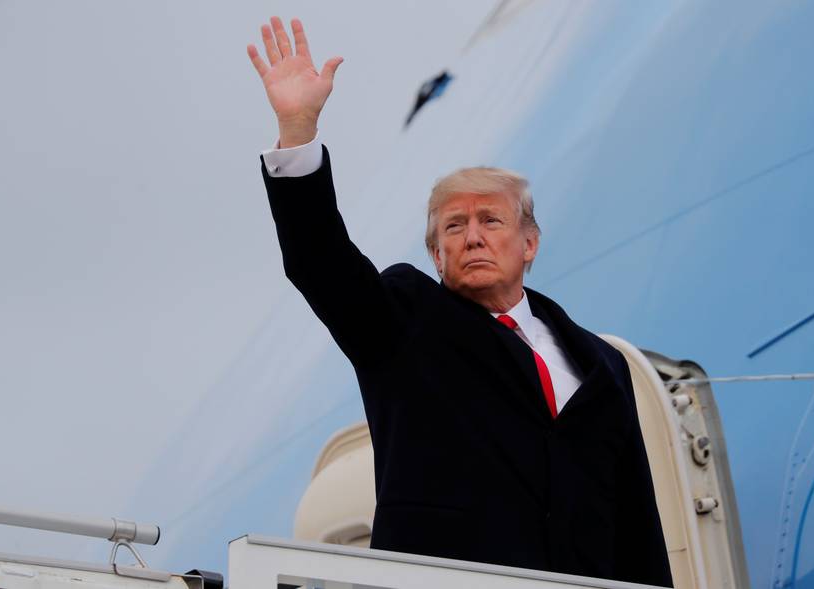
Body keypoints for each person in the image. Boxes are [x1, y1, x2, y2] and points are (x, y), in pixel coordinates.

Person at [246, 17, 673, 587]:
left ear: (529, 243)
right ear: (436, 255)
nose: (472, 236)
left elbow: (637, 523)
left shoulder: (602, 364)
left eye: (490, 220)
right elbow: (321, 263)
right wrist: (297, 131)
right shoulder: (405, 321)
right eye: (453, 226)